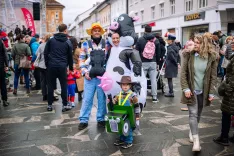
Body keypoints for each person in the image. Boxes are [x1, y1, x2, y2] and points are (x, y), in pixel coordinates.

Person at [181, 34, 217, 152]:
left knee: (198, 113)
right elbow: (183, 74)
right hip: (191, 91)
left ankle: (192, 131)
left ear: (205, 44)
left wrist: (211, 93)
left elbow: (213, 77)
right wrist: (185, 89)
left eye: (198, 42)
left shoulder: (212, 57)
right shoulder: (188, 55)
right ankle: (196, 142)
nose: (195, 44)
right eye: (194, 42)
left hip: (204, 91)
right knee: (192, 113)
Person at [78, 23, 107, 130]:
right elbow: (81, 59)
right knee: (87, 98)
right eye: (95, 30)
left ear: (101, 32)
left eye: (98, 30)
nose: (97, 32)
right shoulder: (85, 44)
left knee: (102, 99)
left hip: (102, 78)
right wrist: (85, 72)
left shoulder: (106, 44)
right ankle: (83, 119)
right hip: (89, 77)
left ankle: (101, 119)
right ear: (91, 32)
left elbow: (109, 59)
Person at [44, 24, 73, 112]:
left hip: (51, 65)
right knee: (64, 85)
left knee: (50, 85)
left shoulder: (51, 40)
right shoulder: (68, 41)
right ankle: (64, 104)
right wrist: (70, 67)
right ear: (65, 30)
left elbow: (45, 53)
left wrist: (47, 64)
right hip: (62, 66)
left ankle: (49, 105)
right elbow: (70, 56)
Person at [213, 43, 234, 146]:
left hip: (231, 93)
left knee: (226, 113)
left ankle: (224, 137)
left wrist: (227, 90)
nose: (232, 44)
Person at [135, 24, 161, 103]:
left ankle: (141, 96)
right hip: (153, 62)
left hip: (143, 62)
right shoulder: (155, 40)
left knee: (142, 80)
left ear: (144, 30)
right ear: (151, 30)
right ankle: (154, 97)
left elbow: (136, 51)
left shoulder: (140, 39)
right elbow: (158, 52)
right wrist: (157, 62)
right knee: (153, 80)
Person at [112, 76, 138, 149]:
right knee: (120, 126)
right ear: (121, 86)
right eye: (123, 85)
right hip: (120, 113)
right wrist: (113, 101)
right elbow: (115, 101)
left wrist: (133, 100)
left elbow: (136, 102)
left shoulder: (132, 94)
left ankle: (129, 141)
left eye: (127, 85)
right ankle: (122, 139)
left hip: (129, 114)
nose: (125, 86)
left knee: (128, 128)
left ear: (130, 85)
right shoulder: (119, 94)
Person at [35, 34, 53, 101]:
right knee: (49, 81)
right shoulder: (51, 45)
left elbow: (36, 54)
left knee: (43, 81)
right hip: (49, 65)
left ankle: (44, 95)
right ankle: (50, 95)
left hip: (41, 65)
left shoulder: (41, 45)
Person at [70, 37, 84, 102]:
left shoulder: (69, 50)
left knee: (72, 82)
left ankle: (71, 97)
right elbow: (81, 59)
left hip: (71, 68)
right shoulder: (78, 50)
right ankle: (80, 95)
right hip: (78, 67)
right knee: (79, 82)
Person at [0, 40, 9, 106]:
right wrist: (6, 64)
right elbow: (5, 53)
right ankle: (4, 100)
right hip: (0, 66)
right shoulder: (0, 41)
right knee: (2, 83)